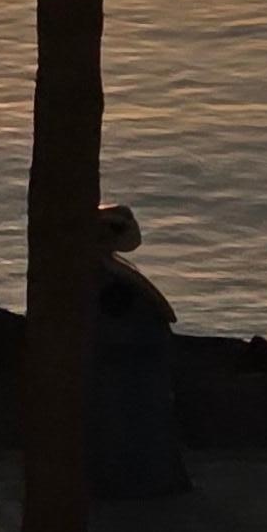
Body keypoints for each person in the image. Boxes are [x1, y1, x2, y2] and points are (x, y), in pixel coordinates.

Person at [86, 202, 190, 499]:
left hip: (133, 357)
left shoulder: (110, 272)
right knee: (133, 423)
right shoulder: (112, 274)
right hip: (129, 358)